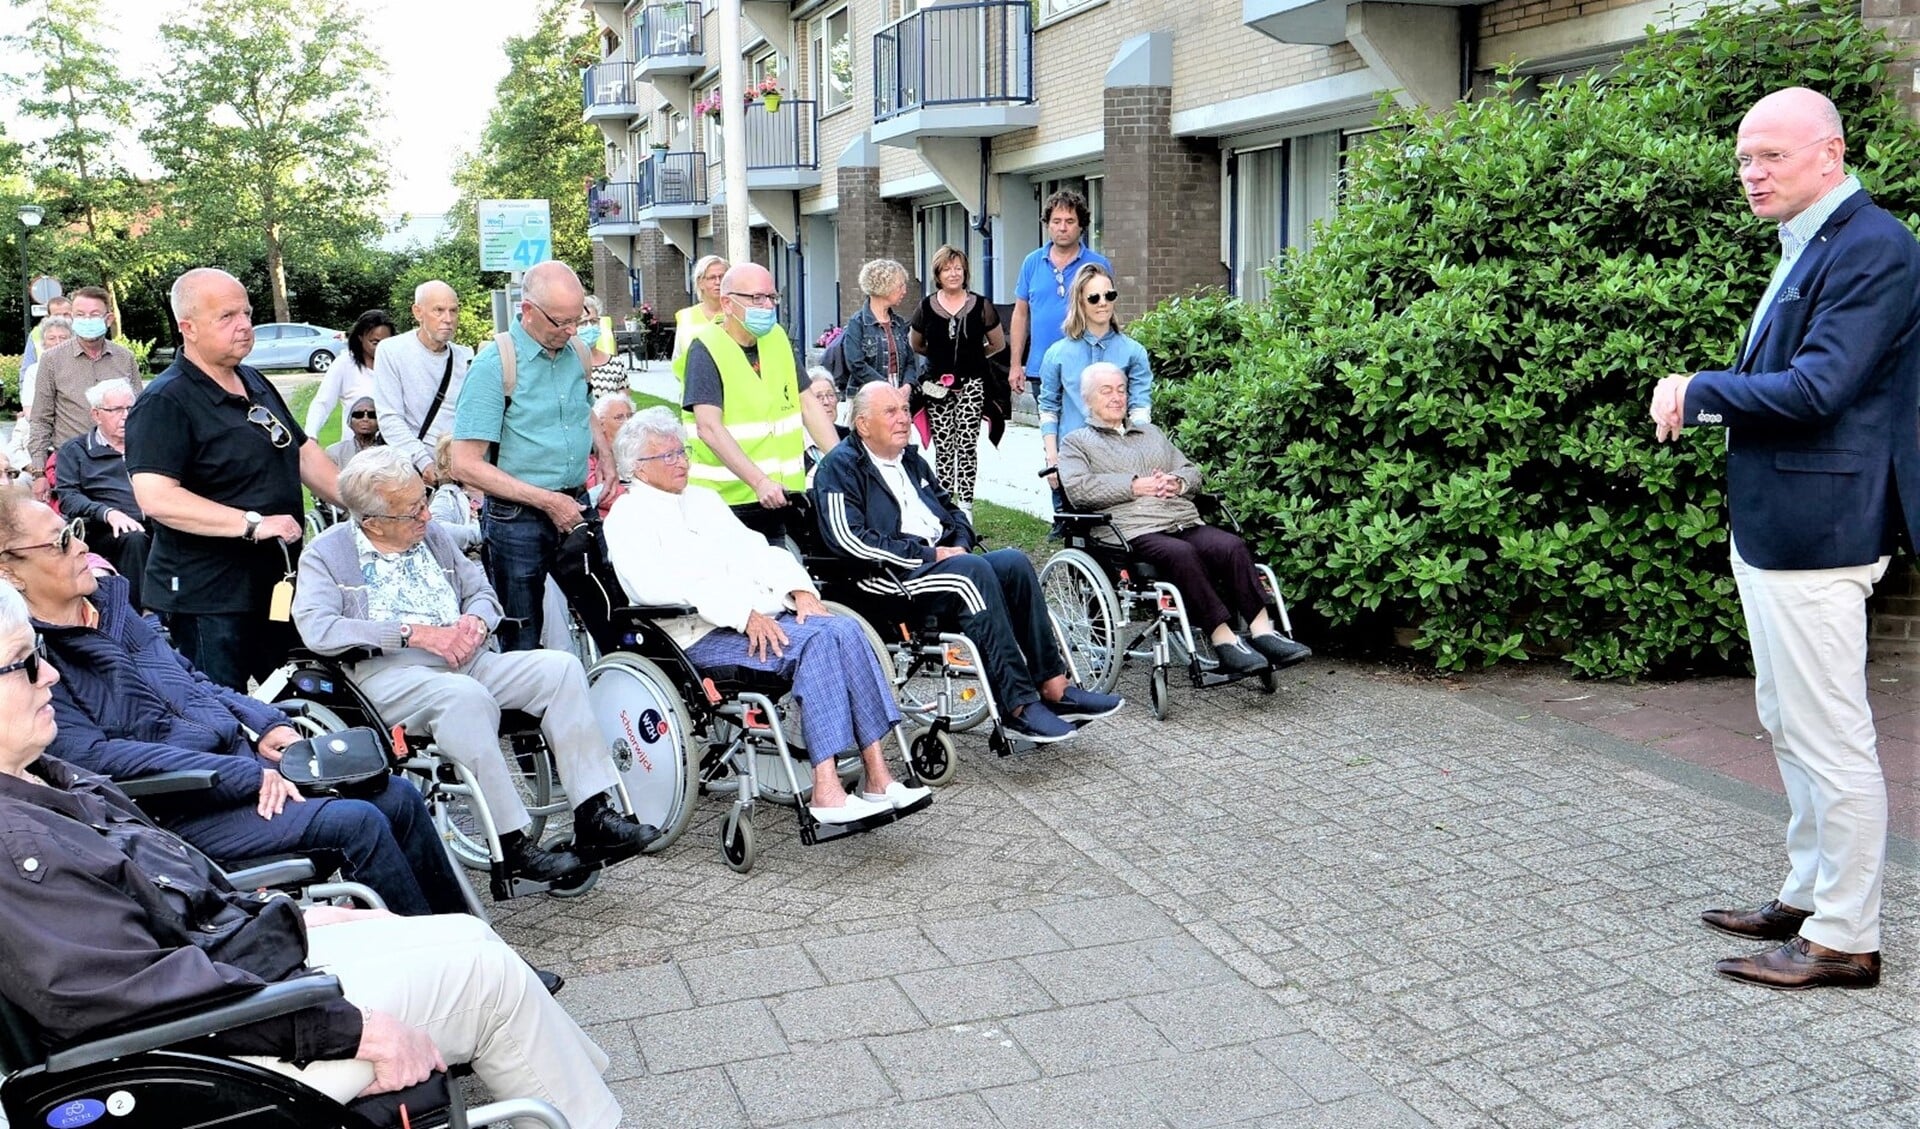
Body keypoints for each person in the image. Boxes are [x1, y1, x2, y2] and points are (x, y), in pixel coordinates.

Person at [0, 585, 623, 1128]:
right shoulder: (17, 843)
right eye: (23, 665)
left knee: (467, 933)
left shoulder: (45, 777)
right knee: (485, 981)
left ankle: (583, 1108)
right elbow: (132, 997)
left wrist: (285, 916)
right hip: (198, 1054)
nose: (47, 674)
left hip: (227, 976)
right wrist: (350, 1030)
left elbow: (161, 903)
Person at [1649, 87, 1920, 992]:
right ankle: (1807, 895)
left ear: (1831, 155)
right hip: (1779, 524)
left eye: (1770, 156)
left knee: (1829, 733)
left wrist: (1701, 386)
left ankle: (1845, 937)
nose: (1752, 173)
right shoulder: (1815, 242)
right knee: (1786, 720)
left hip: (1821, 529)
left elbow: (1818, 389)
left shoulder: (1873, 246)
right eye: (1743, 159)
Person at [0, 492, 465, 918]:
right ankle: (436, 975)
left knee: (398, 795)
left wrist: (267, 724)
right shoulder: (33, 661)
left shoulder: (113, 609)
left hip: (241, 772)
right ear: (9, 569)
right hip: (179, 809)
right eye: (61, 542)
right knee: (358, 822)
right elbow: (95, 759)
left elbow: (196, 683)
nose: (81, 547)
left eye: (75, 531)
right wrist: (245, 776)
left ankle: (468, 947)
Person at [294, 447, 659, 883]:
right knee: (463, 697)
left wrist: (475, 621)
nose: (426, 517)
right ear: (372, 521)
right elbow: (318, 629)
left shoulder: (434, 536)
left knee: (560, 668)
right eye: (412, 512)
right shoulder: (327, 553)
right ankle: (512, 842)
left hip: (467, 658)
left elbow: (482, 594)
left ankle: (593, 814)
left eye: (424, 501)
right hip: (391, 674)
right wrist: (413, 633)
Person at [604, 407, 933, 824]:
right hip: (697, 635)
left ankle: (878, 777)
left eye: (681, 451)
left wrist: (797, 588)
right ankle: (826, 789)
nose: (682, 461)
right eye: (666, 456)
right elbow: (655, 588)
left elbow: (758, 550)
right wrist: (743, 614)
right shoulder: (627, 518)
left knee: (845, 628)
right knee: (816, 643)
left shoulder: (702, 501)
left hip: (759, 617)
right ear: (638, 468)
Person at [813, 384, 1125, 743]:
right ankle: (1017, 707)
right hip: (883, 580)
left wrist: (958, 543)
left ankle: (1055, 685)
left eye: (903, 409)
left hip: (938, 566)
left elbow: (952, 510)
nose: (903, 418)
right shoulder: (840, 469)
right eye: (891, 412)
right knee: (971, 574)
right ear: (863, 425)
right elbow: (849, 539)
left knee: (1014, 563)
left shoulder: (911, 461)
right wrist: (932, 555)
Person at [126, 268, 343, 690]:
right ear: (187, 328)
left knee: (289, 698)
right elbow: (156, 497)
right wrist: (252, 524)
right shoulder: (164, 401)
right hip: (209, 595)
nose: (244, 325)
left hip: (276, 583)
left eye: (245, 313)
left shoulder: (252, 379)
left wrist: (362, 501)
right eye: (226, 317)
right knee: (222, 712)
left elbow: (299, 451)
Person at [1057, 363, 1311, 676]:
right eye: (1106, 391)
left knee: (1230, 545)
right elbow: (1079, 488)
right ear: (1087, 399)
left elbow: (1192, 471)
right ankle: (1225, 642)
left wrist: (1176, 482)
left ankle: (1263, 632)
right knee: (1181, 554)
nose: (1116, 397)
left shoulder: (1151, 434)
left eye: (1121, 390)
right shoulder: (1077, 442)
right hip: (1131, 529)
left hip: (1180, 519)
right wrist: (1135, 485)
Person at [447, 261, 597, 653]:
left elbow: (581, 410)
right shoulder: (494, 365)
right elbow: (464, 463)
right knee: (522, 633)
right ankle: (523, 714)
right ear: (527, 311)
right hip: (517, 518)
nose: (570, 331)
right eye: (560, 322)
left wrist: (608, 458)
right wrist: (547, 501)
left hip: (577, 504)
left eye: (575, 321)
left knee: (605, 613)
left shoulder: (575, 351)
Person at [682, 262, 842, 542]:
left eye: (772, 297)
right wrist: (759, 481)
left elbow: (807, 402)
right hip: (728, 502)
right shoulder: (705, 347)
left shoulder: (776, 337)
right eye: (756, 298)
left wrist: (843, 463)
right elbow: (708, 427)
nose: (768, 306)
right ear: (728, 303)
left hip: (782, 496)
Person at [910, 244, 1006, 516]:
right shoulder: (926, 307)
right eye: (946, 269)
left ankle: (965, 506)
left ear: (965, 271)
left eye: (958, 268)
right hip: (937, 386)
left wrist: (973, 357)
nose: (953, 273)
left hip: (972, 385)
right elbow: (916, 344)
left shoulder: (981, 305)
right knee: (943, 446)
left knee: (966, 444)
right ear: (937, 274)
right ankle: (944, 504)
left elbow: (997, 343)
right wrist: (940, 360)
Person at [1039, 263, 1152, 486]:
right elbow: (1048, 408)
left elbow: (1140, 407)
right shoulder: (1057, 354)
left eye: (1109, 295)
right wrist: (1052, 456)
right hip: (1072, 459)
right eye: (1094, 297)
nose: (1103, 303)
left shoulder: (1134, 352)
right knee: (1069, 521)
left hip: (1120, 461)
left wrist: (1143, 451)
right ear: (1080, 301)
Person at [25, 285, 141, 484]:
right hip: (72, 464)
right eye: (80, 314)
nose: (87, 320)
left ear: (108, 319)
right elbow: (40, 419)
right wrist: (39, 472)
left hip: (119, 462)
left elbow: (140, 413)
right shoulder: (52, 360)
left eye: (94, 314)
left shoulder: (124, 358)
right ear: (71, 318)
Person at [53, 378, 150, 607]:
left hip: (157, 519)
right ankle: (140, 614)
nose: (125, 416)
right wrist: (107, 512)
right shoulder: (76, 451)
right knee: (133, 538)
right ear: (96, 415)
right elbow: (68, 498)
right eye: (116, 410)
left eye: (130, 408)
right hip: (104, 529)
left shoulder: (149, 444)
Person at [1008, 188, 1110, 400]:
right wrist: (1016, 365)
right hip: (1042, 368)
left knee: (1086, 432)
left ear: (1081, 225)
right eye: (1056, 221)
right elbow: (1020, 314)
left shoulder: (1098, 265)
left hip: (1087, 369)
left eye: (1070, 221)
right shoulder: (1031, 262)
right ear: (1047, 224)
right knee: (1050, 432)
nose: (1062, 228)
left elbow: (1107, 315)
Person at [374, 280, 471, 487]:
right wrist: (423, 462)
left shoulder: (466, 357)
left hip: (460, 472)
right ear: (418, 312)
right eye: (439, 310)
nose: (448, 319)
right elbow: (390, 417)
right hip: (414, 473)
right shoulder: (392, 351)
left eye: (453, 311)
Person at [304, 309, 397, 436]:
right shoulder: (344, 364)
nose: (381, 348)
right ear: (360, 338)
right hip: (354, 450)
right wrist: (311, 436)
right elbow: (323, 403)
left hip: (393, 448)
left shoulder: (398, 365)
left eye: (386, 342)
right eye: (374, 342)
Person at [839, 258, 921, 400]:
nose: (904, 291)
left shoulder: (899, 323)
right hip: (867, 398)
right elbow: (856, 365)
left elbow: (910, 362)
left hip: (899, 396)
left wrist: (908, 386)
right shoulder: (857, 323)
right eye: (900, 286)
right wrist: (886, 388)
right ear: (884, 287)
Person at [8, 314, 71, 491]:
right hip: (37, 425)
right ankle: (36, 474)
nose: (57, 342)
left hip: (66, 430)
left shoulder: (79, 368)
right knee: (14, 448)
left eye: (63, 337)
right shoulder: (34, 371)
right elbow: (30, 411)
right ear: (44, 343)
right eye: (52, 338)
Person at [672, 253, 729, 378]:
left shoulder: (737, 314)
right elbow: (678, 359)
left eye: (722, 277)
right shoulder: (686, 317)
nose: (718, 282)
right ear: (700, 282)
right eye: (712, 278)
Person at [586, 392, 633, 519]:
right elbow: (605, 496)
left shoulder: (640, 453)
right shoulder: (591, 462)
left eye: (630, 416)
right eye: (619, 417)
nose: (628, 423)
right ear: (600, 425)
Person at [324, 395, 386, 471]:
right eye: (358, 415)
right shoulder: (335, 452)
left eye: (372, 415)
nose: (365, 419)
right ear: (349, 422)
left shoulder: (388, 453)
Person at [580, 295, 626, 395]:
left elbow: (624, 404)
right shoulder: (564, 364)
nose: (589, 327)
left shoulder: (616, 364)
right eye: (583, 323)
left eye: (593, 321)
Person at [18, 293, 70, 368]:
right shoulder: (36, 334)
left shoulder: (81, 332)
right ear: (49, 316)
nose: (62, 318)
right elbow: (27, 367)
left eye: (66, 314)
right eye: (57, 315)